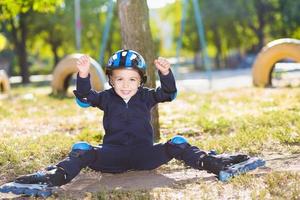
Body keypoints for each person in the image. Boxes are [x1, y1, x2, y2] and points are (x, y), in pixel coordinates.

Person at [13, 49, 259, 187]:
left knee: (177, 142)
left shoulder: (147, 97)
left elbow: (169, 94)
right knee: (81, 149)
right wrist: (84, 74)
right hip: (112, 156)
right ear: (111, 80)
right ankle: (53, 179)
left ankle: (216, 165)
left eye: (132, 79)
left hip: (145, 155)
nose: (126, 85)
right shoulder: (107, 98)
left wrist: (166, 73)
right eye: (119, 79)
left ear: (141, 80)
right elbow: (84, 98)